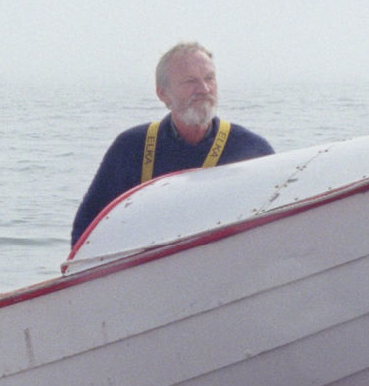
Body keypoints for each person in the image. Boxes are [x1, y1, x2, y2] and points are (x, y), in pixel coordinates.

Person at [71, 42, 274, 246]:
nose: (204, 89)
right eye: (190, 81)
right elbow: (87, 229)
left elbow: (275, 227)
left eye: (209, 78)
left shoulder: (253, 149)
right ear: (163, 94)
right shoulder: (131, 148)